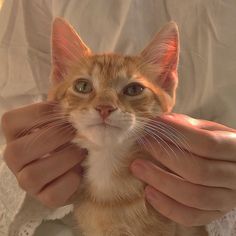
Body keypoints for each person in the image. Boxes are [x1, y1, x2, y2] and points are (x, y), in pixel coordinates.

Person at [0, 0, 236, 236]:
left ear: (165, 81)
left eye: (133, 90)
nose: (105, 106)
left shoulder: (166, 189)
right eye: (83, 86)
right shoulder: (79, 188)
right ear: (60, 74)